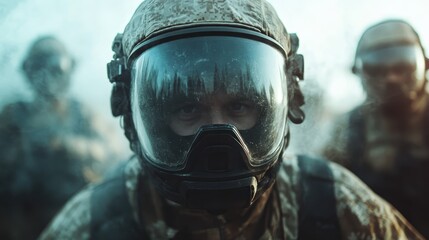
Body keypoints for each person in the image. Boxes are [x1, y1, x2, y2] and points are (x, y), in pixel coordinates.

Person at [39, 2, 424, 239]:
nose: (220, 142)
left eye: (240, 107)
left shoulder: (342, 208)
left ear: (285, 100)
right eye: (188, 109)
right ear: (133, 110)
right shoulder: (90, 225)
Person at [0, 35, 121, 240]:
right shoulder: (13, 115)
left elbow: (112, 151)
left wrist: (66, 145)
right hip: (24, 215)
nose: (48, 79)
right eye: (40, 69)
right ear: (29, 73)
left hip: (76, 212)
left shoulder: (81, 112)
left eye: (56, 70)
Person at [322, 19, 429, 238]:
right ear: (359, 73)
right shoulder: (345, 131)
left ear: (424, 64)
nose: (391, 78)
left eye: (402, 64)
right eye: (376, 68)